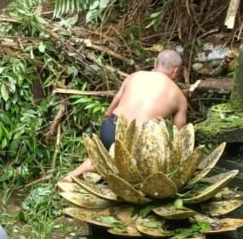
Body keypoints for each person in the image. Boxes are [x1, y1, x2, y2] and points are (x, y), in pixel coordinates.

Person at [60, 49, 188, 185]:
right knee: (133, 162)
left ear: (155, 63)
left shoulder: (134, 76)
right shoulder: (179, 96)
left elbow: (109, 111)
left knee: (108, 154)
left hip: (111, 127)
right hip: (138, 138)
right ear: (176, 71)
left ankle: (75, 174)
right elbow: (179, 138)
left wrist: (107, 130)